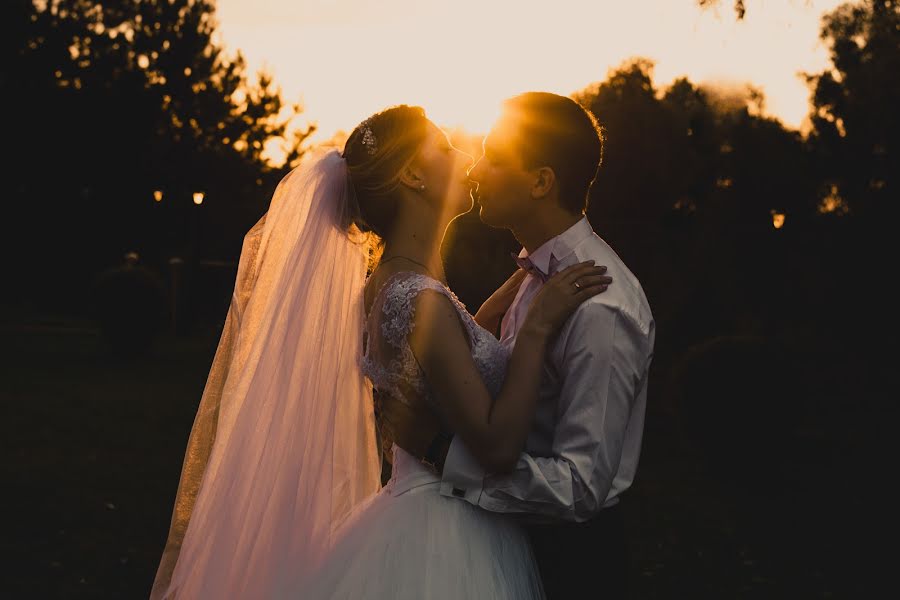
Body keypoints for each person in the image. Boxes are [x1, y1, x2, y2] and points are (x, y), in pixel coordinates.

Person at [149, 104, 611, 599]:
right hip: (445, 535)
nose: (464, 153)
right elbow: (497, 448)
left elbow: (433, 376)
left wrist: (486, 317)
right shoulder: (419, 299)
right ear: (414, 174)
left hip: (412, 510)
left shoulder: (393, 286)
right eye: (445, 146)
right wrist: (536, 330)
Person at [385, 92, 656, 599]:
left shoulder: (601, 307)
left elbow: (579, 489)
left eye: (494, 156)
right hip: (508, 546)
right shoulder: (536, 277)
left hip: (571, 568)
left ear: (540, 181)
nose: (475, 170)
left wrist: (446, 456)